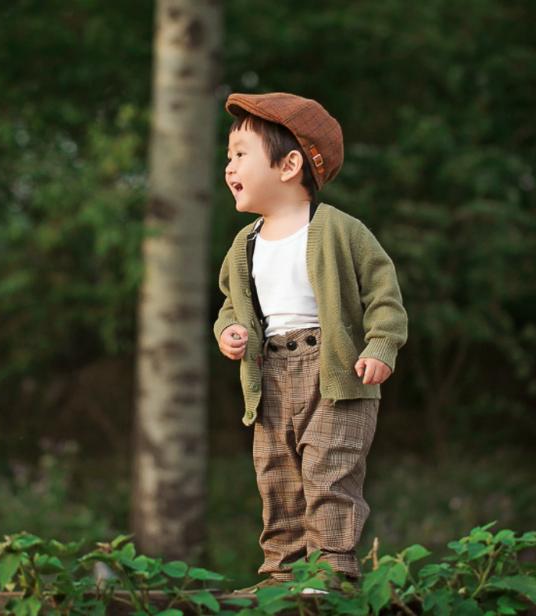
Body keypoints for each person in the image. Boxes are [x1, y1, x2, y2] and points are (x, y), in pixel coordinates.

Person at [213, 92, 408, 592]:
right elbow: (232, 305)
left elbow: (383, 294)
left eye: (239, 154)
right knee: (276, 476)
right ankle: (281, 574)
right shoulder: (245, 244)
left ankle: (331, 572)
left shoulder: (341, 230)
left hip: (336, 371)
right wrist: (229, 332)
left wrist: (380, 346)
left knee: (328, 472)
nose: (228, 165)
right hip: (271, 372)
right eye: (228, 156)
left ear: (290, 164)